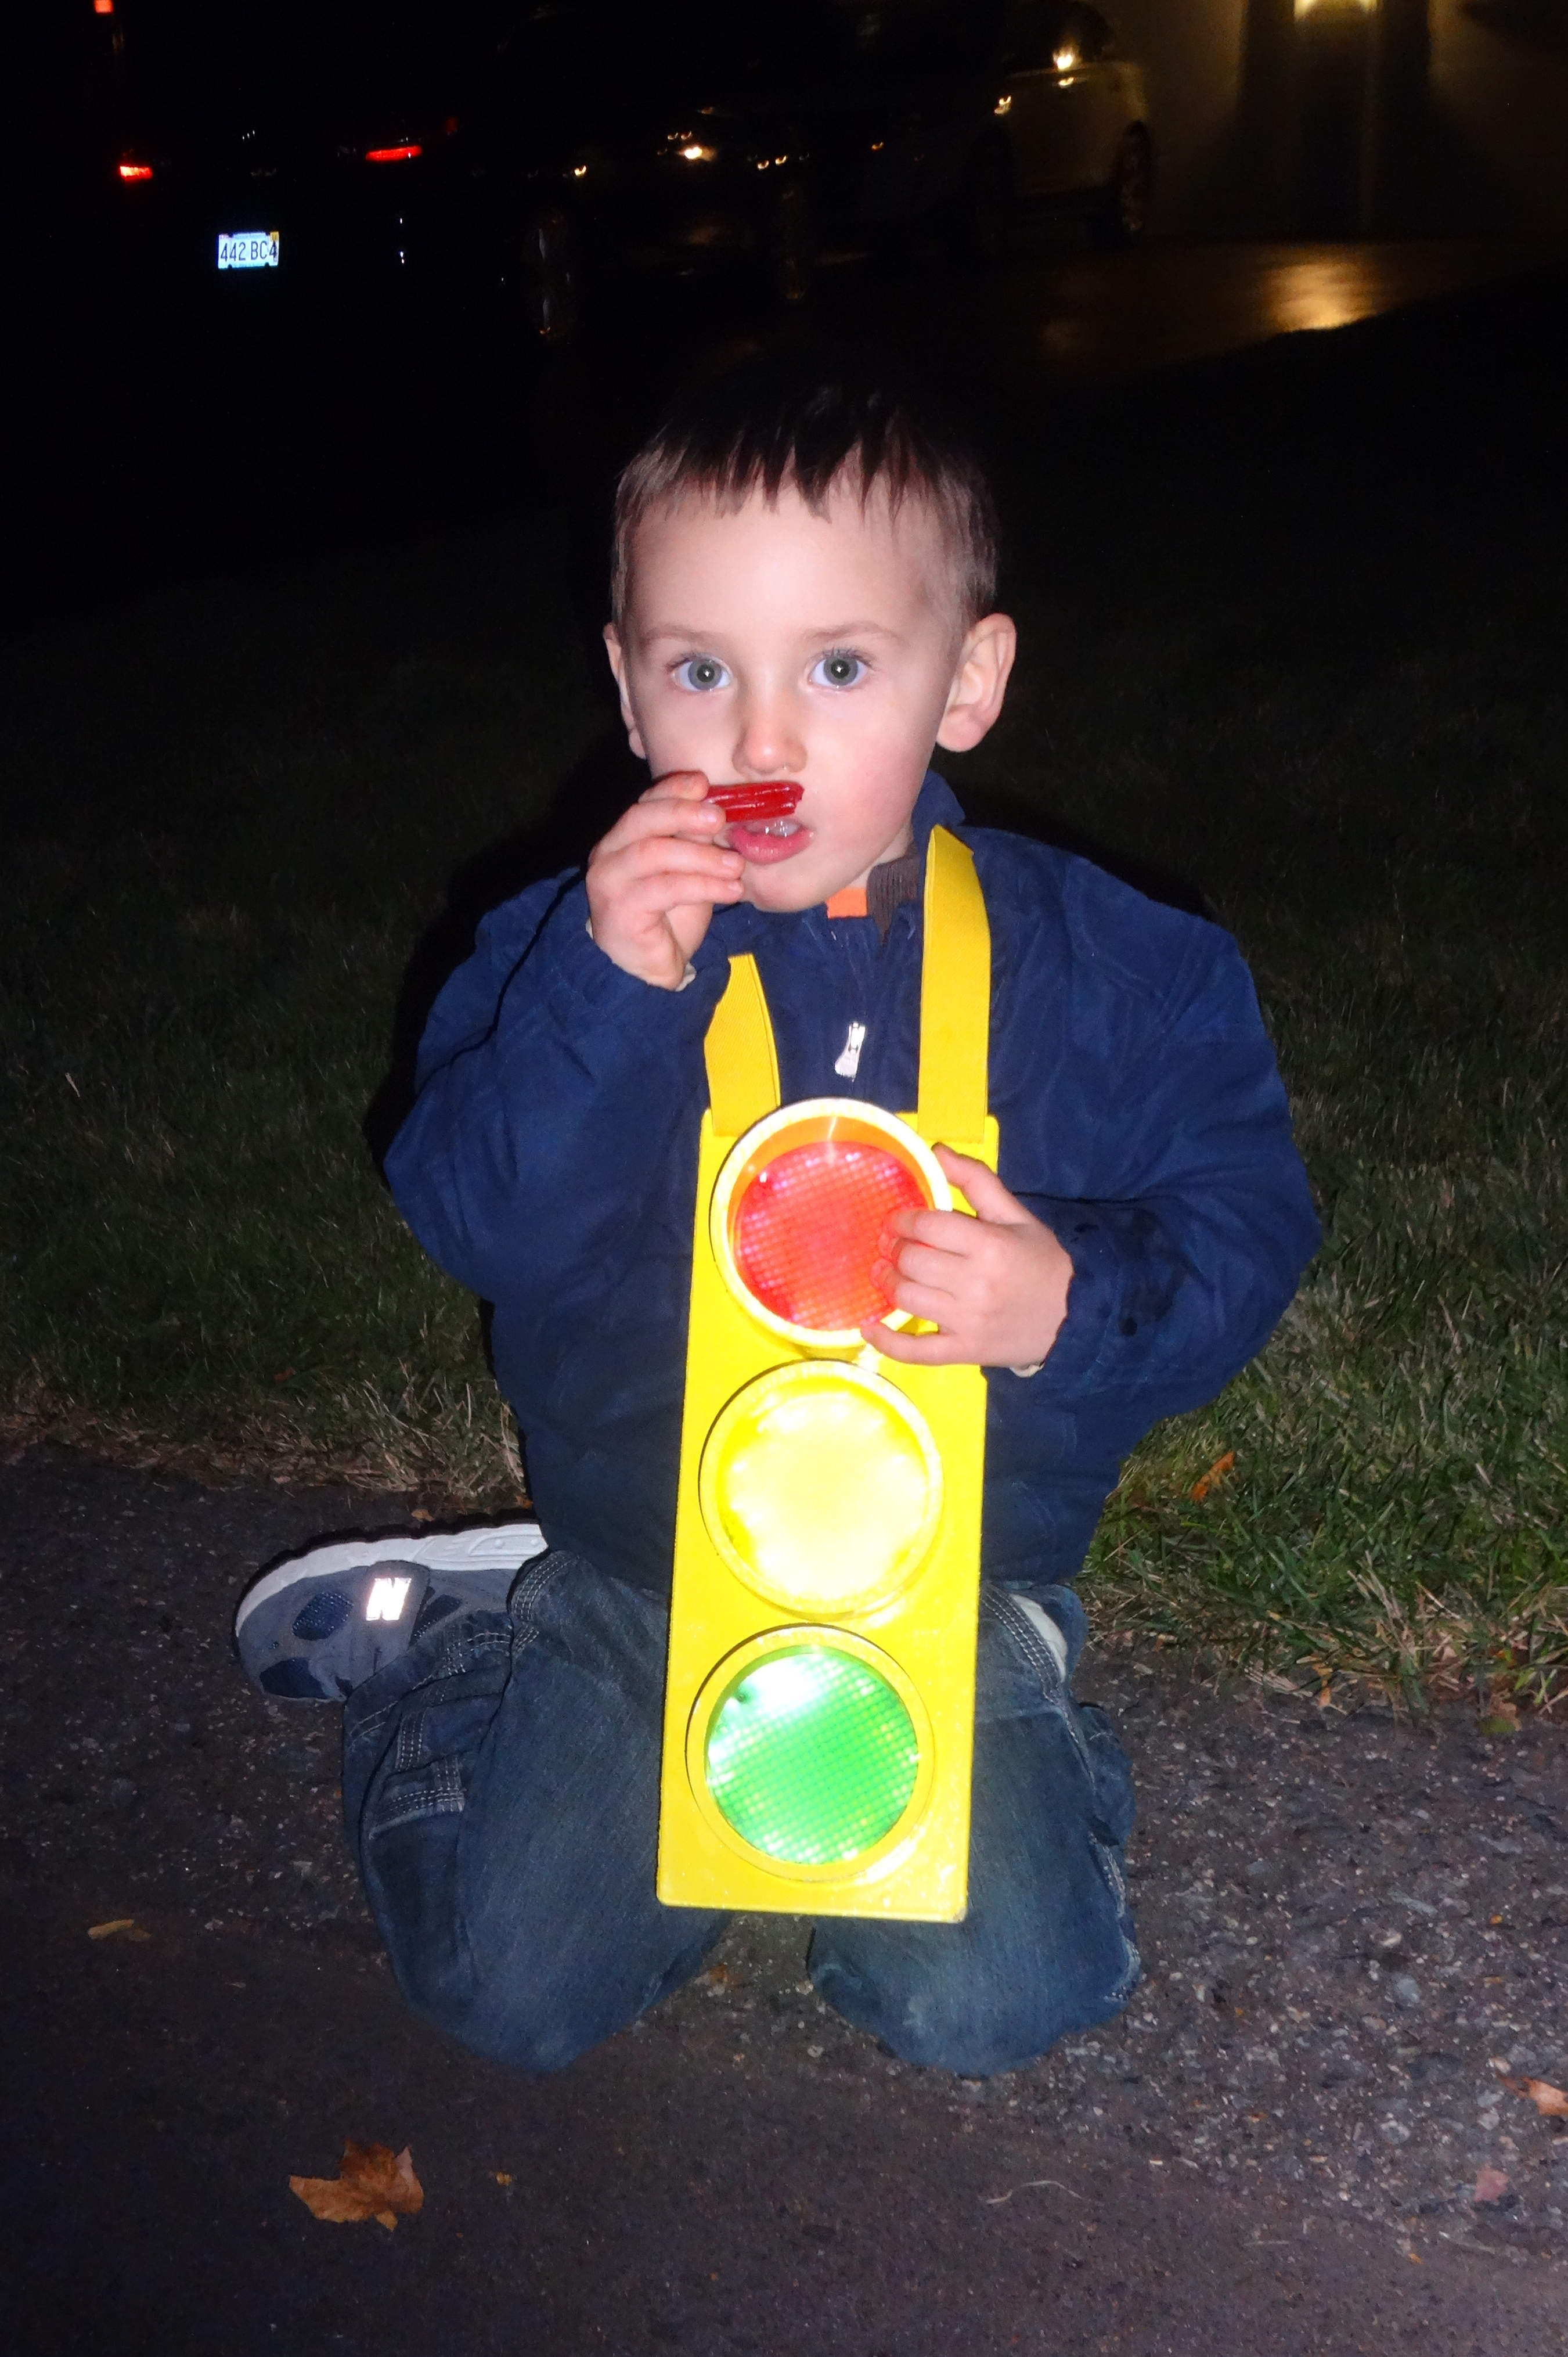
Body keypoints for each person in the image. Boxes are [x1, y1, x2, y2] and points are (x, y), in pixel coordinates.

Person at [235, 350, 1319, 2077]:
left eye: (838, 667)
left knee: (994, 1998)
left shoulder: (1125, 973)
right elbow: (473, 1218)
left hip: (959, 1580)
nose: (759, 742)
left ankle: (1026, 1732)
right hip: (644, 1571)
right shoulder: (566, 952)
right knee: (512, 1990)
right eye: (700, 671)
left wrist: (1071, 1298)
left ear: (968, 681)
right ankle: (450, 1657)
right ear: (625, 686)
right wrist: (607, 998)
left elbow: (1248, 1226)